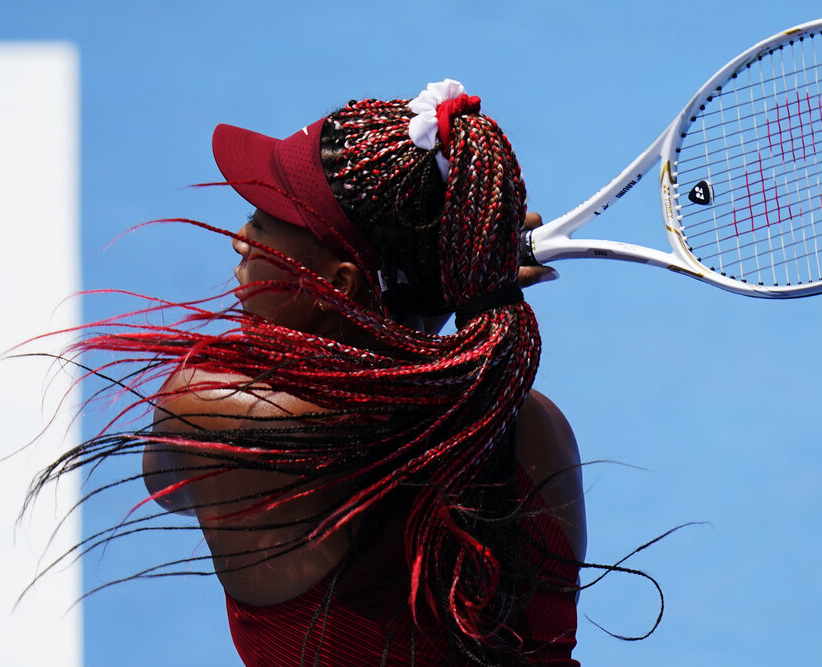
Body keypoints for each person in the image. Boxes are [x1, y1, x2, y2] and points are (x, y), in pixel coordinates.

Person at [37, 80, 586, 666]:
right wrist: (468, 286)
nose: (241, 242)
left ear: (338, 287)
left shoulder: (213, 414)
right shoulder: (536, 429)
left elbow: (164, 482)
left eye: (264, 224)